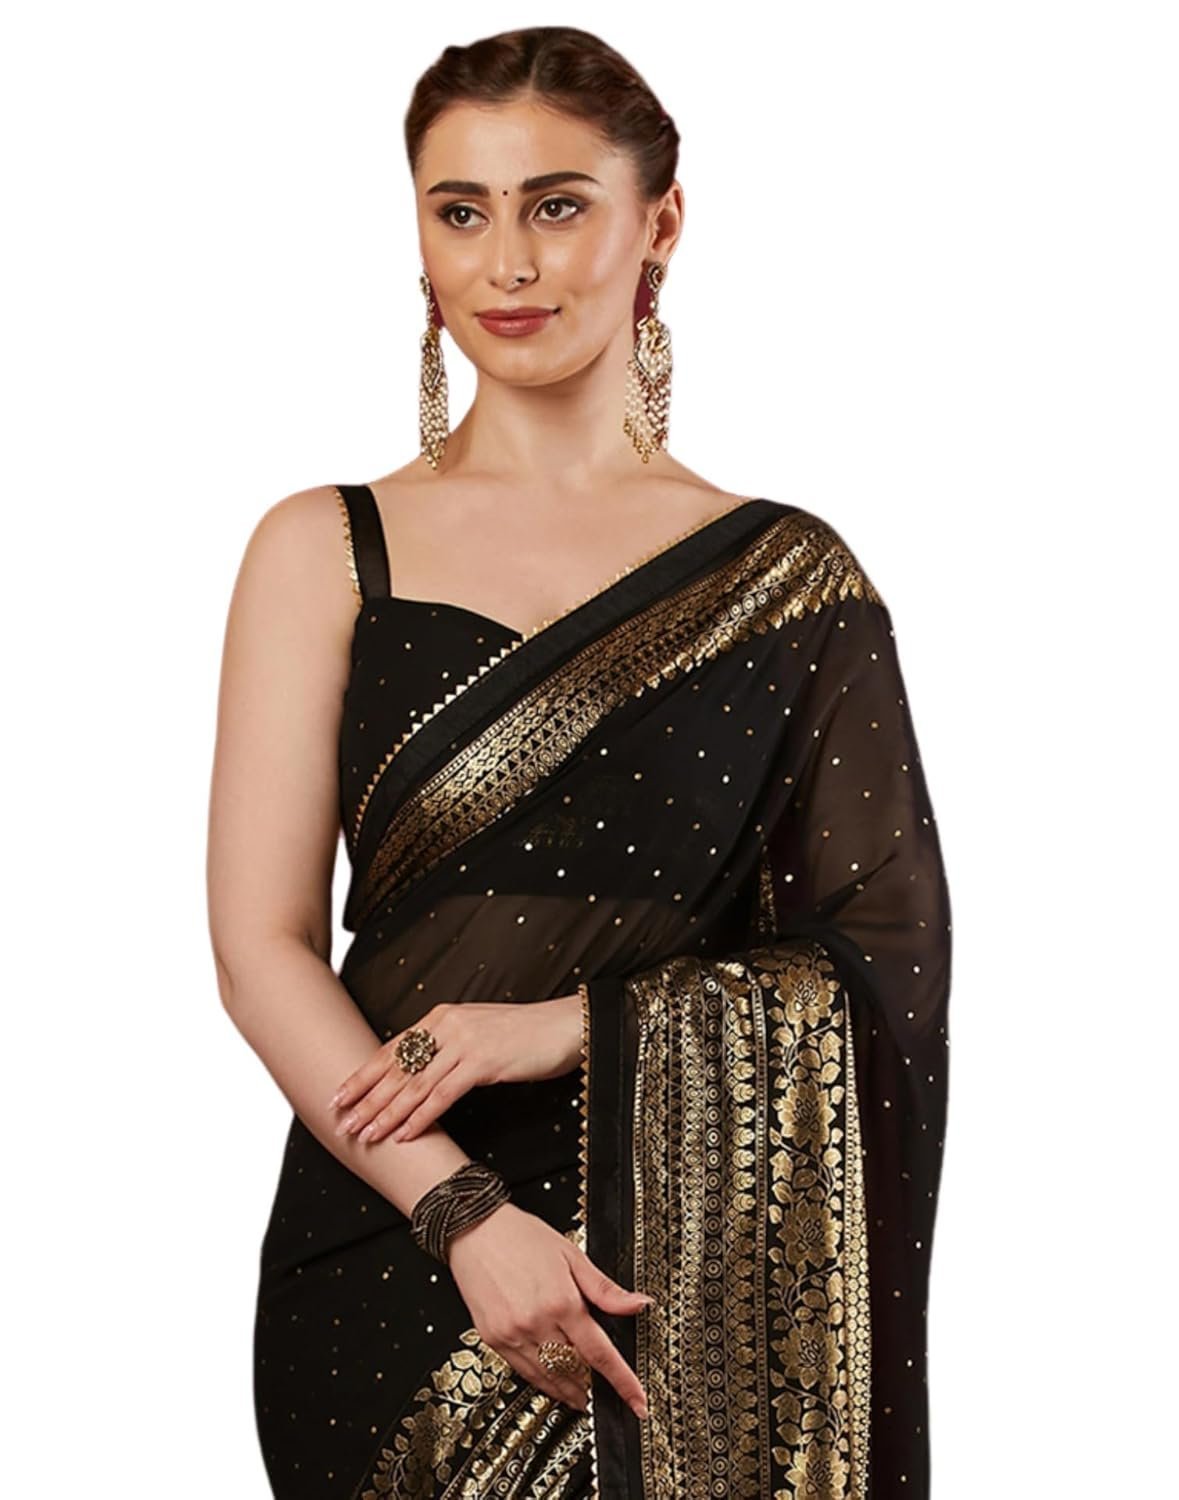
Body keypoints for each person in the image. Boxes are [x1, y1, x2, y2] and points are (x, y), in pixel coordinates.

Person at [206, 24, 953, 1500]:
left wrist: (563, 1028)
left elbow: (883, 956)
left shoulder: (788, 586)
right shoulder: (322, 548)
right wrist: (466, 1216)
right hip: (392, 1242)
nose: (507, 264)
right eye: (460, 211)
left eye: (558, 205)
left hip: (687, 1271)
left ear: (660, 222)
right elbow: (259, 947)